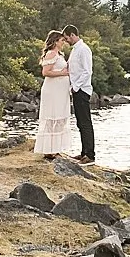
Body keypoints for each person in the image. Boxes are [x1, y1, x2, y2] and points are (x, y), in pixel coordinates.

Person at [34, 30, 73, 160]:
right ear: (55, 41)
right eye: (62, 40)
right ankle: (48, 150)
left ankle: (55, 148)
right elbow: (46, 72)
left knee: (60, 119)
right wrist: (63, 73)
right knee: (52, 118)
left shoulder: (59, 54)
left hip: (61, 91)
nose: (64, 42)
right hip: (53, 91)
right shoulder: (51, 54)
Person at [63, 24, 95, 165]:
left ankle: (90, 155)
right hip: (76, 89)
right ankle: (83, 152)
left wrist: (76, 87)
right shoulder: (75, 50)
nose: (66, 41)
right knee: (80, 123)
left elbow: (87, 71)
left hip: (82, 90)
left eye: (66, 38)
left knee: (86, 123)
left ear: (72, 35)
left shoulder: (84, 50)